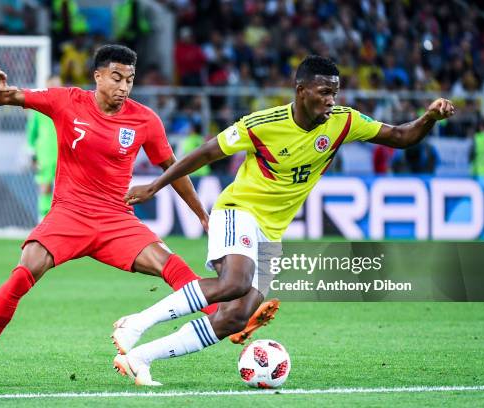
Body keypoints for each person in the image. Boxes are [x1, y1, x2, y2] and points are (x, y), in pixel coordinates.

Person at [113, 55, 456, 386]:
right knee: (234, 282)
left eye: (335, 93)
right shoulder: (263, 125)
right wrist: (156, 186)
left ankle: (141, 357)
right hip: (238, 211)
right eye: (324, 93)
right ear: (301, 90)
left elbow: (400, 136)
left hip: (271, 232)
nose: (331, 101)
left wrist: (428, 118)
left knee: (235, 317)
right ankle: (137, 323)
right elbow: (205, 152)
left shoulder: (344, 122)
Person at [0, 45, 276, 380]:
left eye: (130, 80)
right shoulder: (66, 100)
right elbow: (5, 98)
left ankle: (232, 321)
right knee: (22, 274)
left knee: (171, 264)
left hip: (116, 221)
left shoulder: (145, 120)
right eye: (116, 78)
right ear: (98, 76)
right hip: (68, 215)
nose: (123, 87)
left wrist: (201, 214)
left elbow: (173, 168)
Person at [26, 76, 61, 221]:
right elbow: (31, 134)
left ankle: (59, 221)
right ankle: (43, 220)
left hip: (64, 154)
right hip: (45, 154)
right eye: (52, 85)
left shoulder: (66, 106)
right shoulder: (38, 108)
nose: (55, 88)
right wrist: (33, 155)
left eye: (58, 85)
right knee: (45, 187)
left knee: (63, 189)